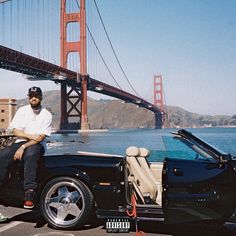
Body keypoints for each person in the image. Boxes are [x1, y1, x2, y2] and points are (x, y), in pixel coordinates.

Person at [0, 86, 52, 209]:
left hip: (37, 145)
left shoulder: (46, 114)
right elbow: (15, 131)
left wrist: (23, 146)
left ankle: (29, 192)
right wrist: (28, 136)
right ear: (29, 97)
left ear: (41, 97)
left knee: (31, 154)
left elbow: (40, 138)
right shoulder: (22, 110)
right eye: (31, 96)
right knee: (3, 155)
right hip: (22, 141)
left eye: (36, 96)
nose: (33, 98)